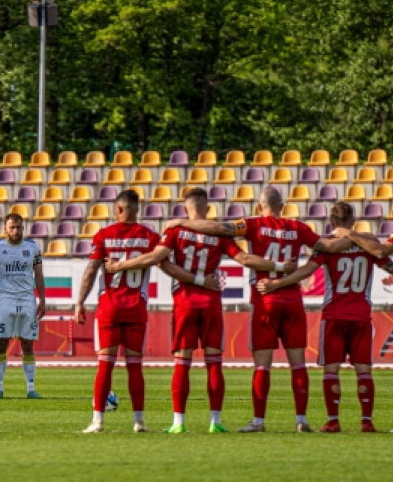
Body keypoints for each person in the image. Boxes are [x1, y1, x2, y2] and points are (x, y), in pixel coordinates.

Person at [104, 187, 295, 433]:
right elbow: (246, 259)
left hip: (185, 301)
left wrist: (120, 265)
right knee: (214, 363)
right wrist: (279, 265)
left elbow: (157, 258)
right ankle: (215, 422)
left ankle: (178, 423)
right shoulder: (219, 234)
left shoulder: (176, 230)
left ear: (185, 209)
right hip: (211, 303)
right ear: (208, 209)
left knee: (182, 363)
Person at [166, 185, 350, 432]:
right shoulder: (299, 228)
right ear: (282, 206)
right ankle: (301, 419)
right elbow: (326, 247)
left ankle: (259, 421)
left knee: (262, 365)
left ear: (260, 206)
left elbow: (221, 229)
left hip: (265, 300)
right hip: (293, 301)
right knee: (297, 364)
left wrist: (181, 222)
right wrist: (354, 236)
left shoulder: (251, 224)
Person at [76, 189, 209, 434]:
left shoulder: (104, 235)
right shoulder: (148, 236)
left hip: (109, 308)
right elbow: (166, 264)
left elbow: (91, 270)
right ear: (138, 209)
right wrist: (196, 280)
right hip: (136, 308)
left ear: (118, 209)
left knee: (105, 364)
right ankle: (139, 422)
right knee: (134, 365)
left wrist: (80, 302)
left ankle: (97, 421)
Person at [259, 202, 393, 433]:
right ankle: (366, 421)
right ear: (352, 221)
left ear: (331, 223)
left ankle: (333, 421)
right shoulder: (368, 246)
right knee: (364, 371)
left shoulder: (328, 246)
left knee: (331, 370)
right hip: (361, 316)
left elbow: (306, 271)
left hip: (333, 315)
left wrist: (276, 284)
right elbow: (388, 264)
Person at [0, 213, 46, 399]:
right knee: (1, 344)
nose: (15, 231)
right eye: (12, 227)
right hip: (5, 299)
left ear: (23, 228)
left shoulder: (33, 247)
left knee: (27, 344)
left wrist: (42, 300)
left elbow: (38, 275)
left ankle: (30, 388)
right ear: (5, 229)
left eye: (19, 227)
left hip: (27, 299)